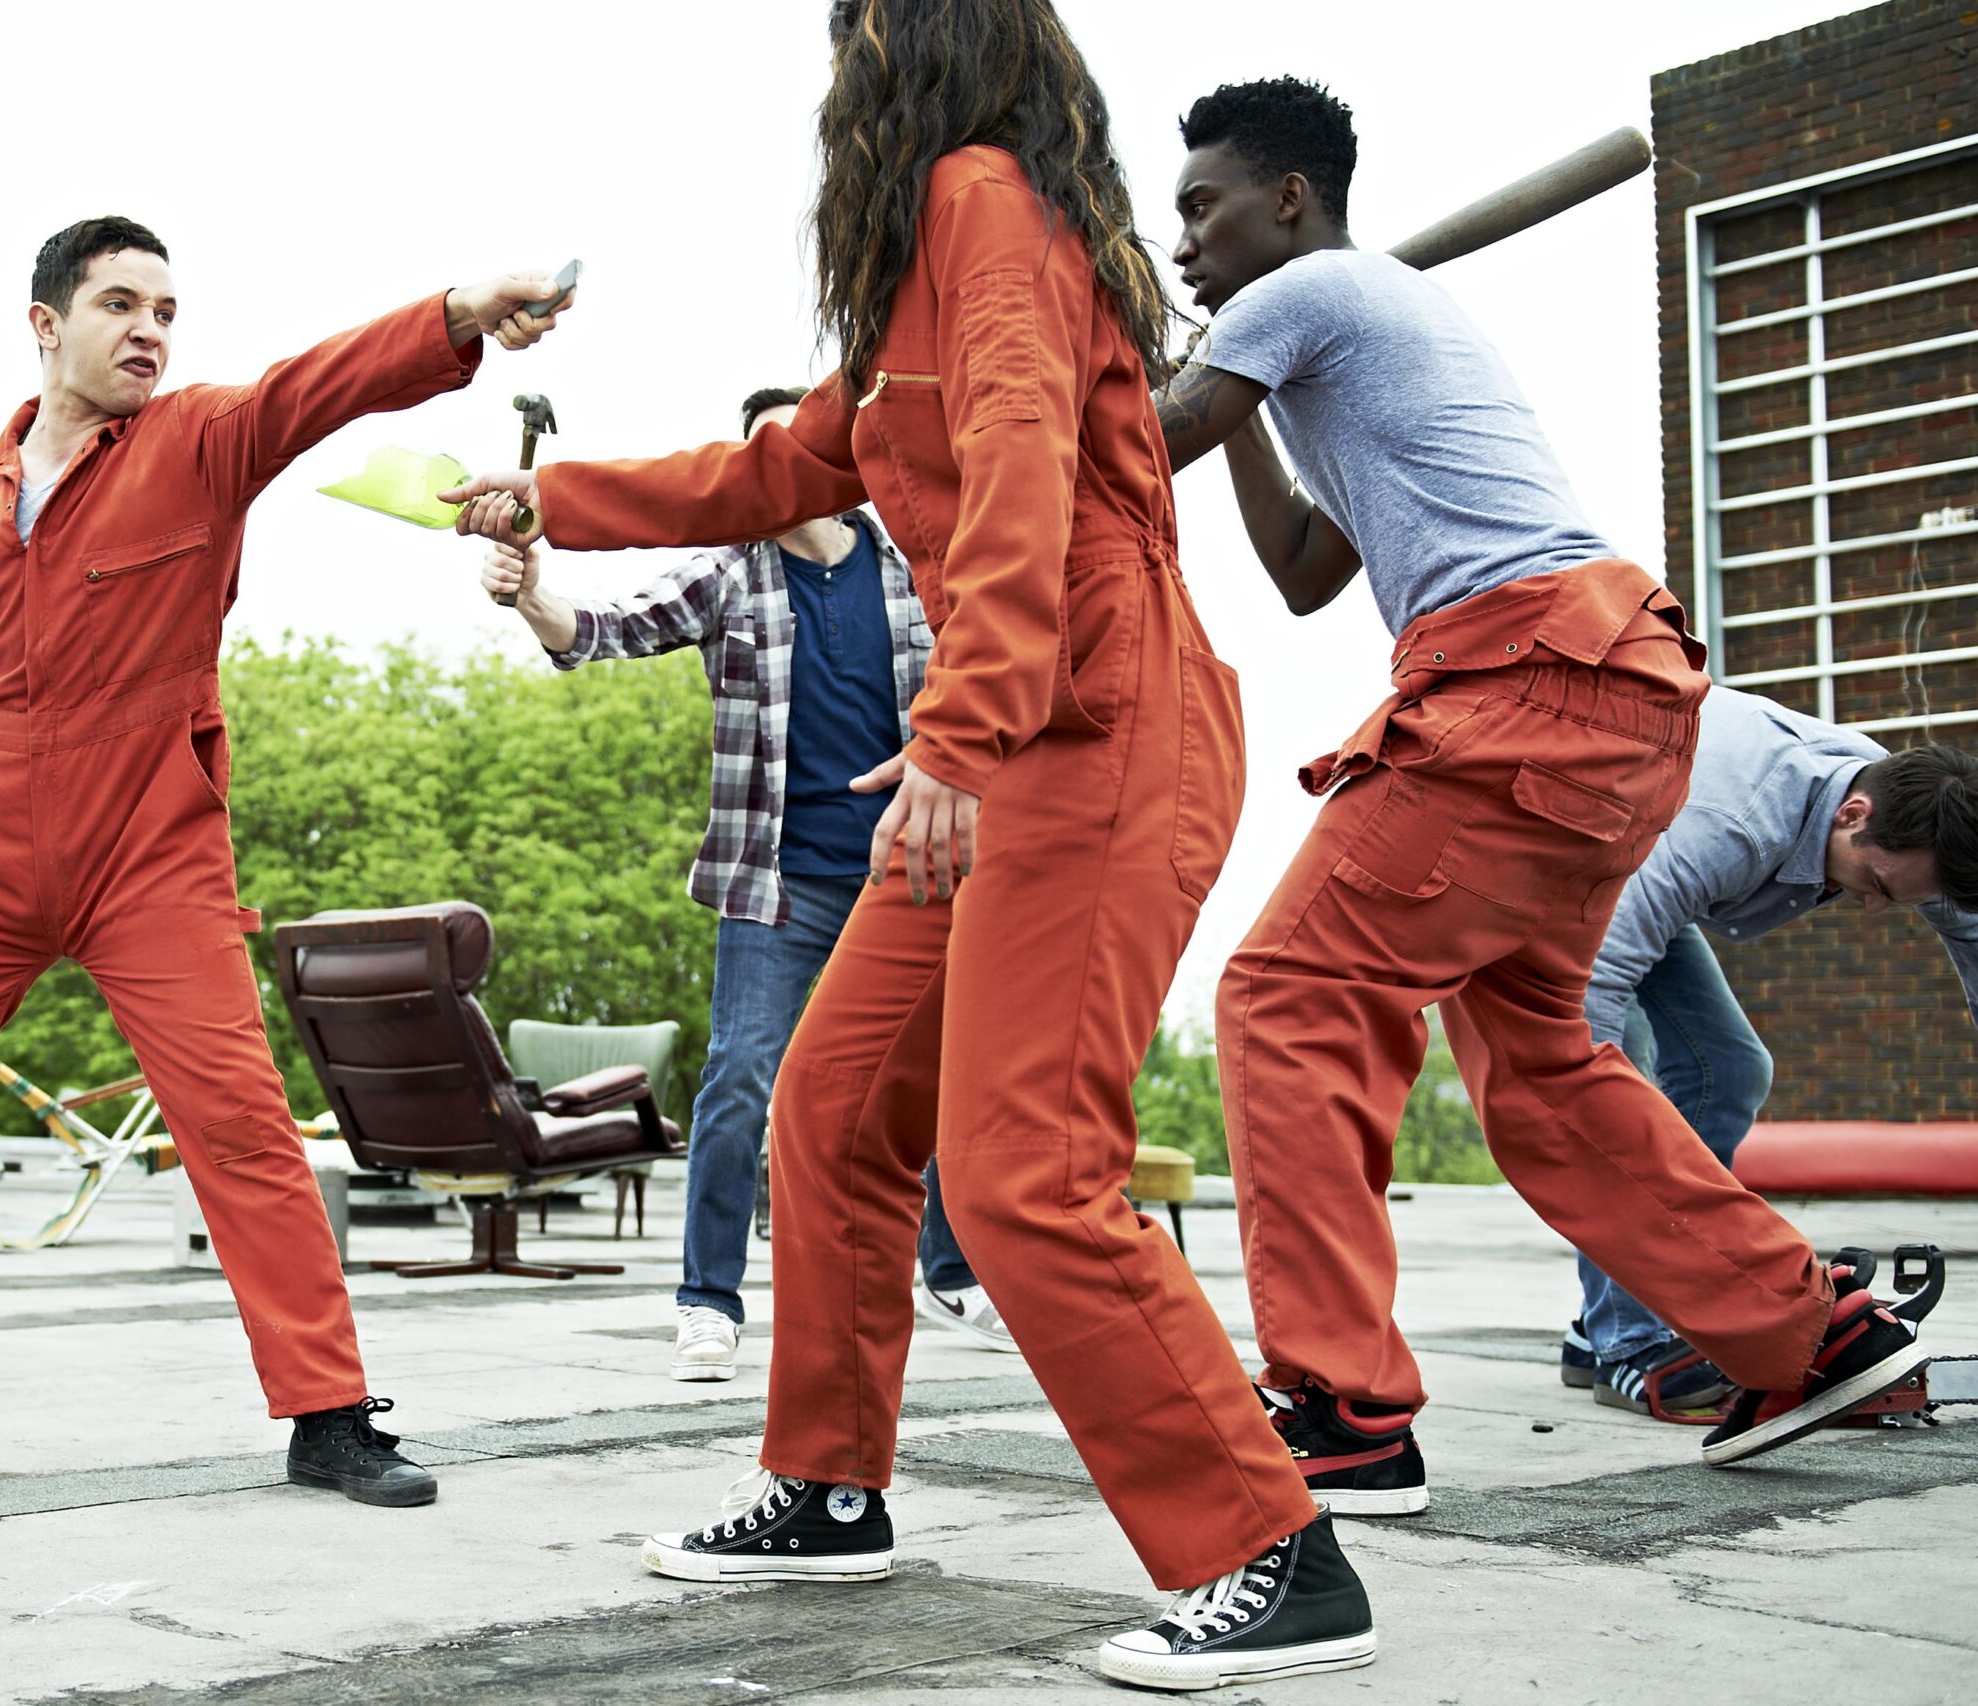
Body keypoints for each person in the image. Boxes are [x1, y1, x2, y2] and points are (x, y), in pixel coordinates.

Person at [448, 5, 1371, 1691]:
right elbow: (782, 467)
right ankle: (827, 1485)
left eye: (857, 33)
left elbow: (1019, 470)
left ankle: (1272, 1552)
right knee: (835, 1104)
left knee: (1025, 1170)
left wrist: (958, 731)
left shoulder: (983, 202)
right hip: (1009, 741)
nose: (839, 71)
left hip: (1093, 733)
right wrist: (550, 499)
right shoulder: (917, 273)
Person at [0, 216, 570, 1509]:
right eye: (121, 305)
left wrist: (464, 306)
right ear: (46, 324)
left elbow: (316, 386)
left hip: (150, 852)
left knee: (239, 1125)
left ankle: (329, 1413)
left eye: (167, 312)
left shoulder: (197, 442)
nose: (150, 331)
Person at [1148, 75, 1931, 1501]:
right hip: (1621, 698)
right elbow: (1307, 572)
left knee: (1291, 992)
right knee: (1545, 1070)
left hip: (1525, 679)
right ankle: (1815, 1331)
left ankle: (1342, 1405)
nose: (1184, 237)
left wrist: (1124, 367)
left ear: (1290, 199)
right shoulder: (1349, 317)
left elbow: (1137, 449)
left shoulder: (1306, 293)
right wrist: (1230, 391)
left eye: (1203, 207)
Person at [479, 385, 1017, 1381]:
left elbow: (994, 669)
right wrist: (530, 596)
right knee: (738, 1079)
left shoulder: (913, 565)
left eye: (797, 448)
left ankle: (950, 1273)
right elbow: (603, 628)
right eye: (762, 454)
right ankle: (707, 1303)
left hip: (906, 873)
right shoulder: (729, 571)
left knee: (943, 1073)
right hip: (776, 884)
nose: (780, 468)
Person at [1559, 692, 1978, 1414]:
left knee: (1730, 1070)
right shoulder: (1732, 825)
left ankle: (1602, 1321)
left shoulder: (1913, 818)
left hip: (1640, 865)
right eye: (1875, 886)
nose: (1872, 907)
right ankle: (1625, 1343)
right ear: (1853, 815)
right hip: (1564, 868)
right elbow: (1592, 994)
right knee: (1618, 1090)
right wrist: (1589, 1106)